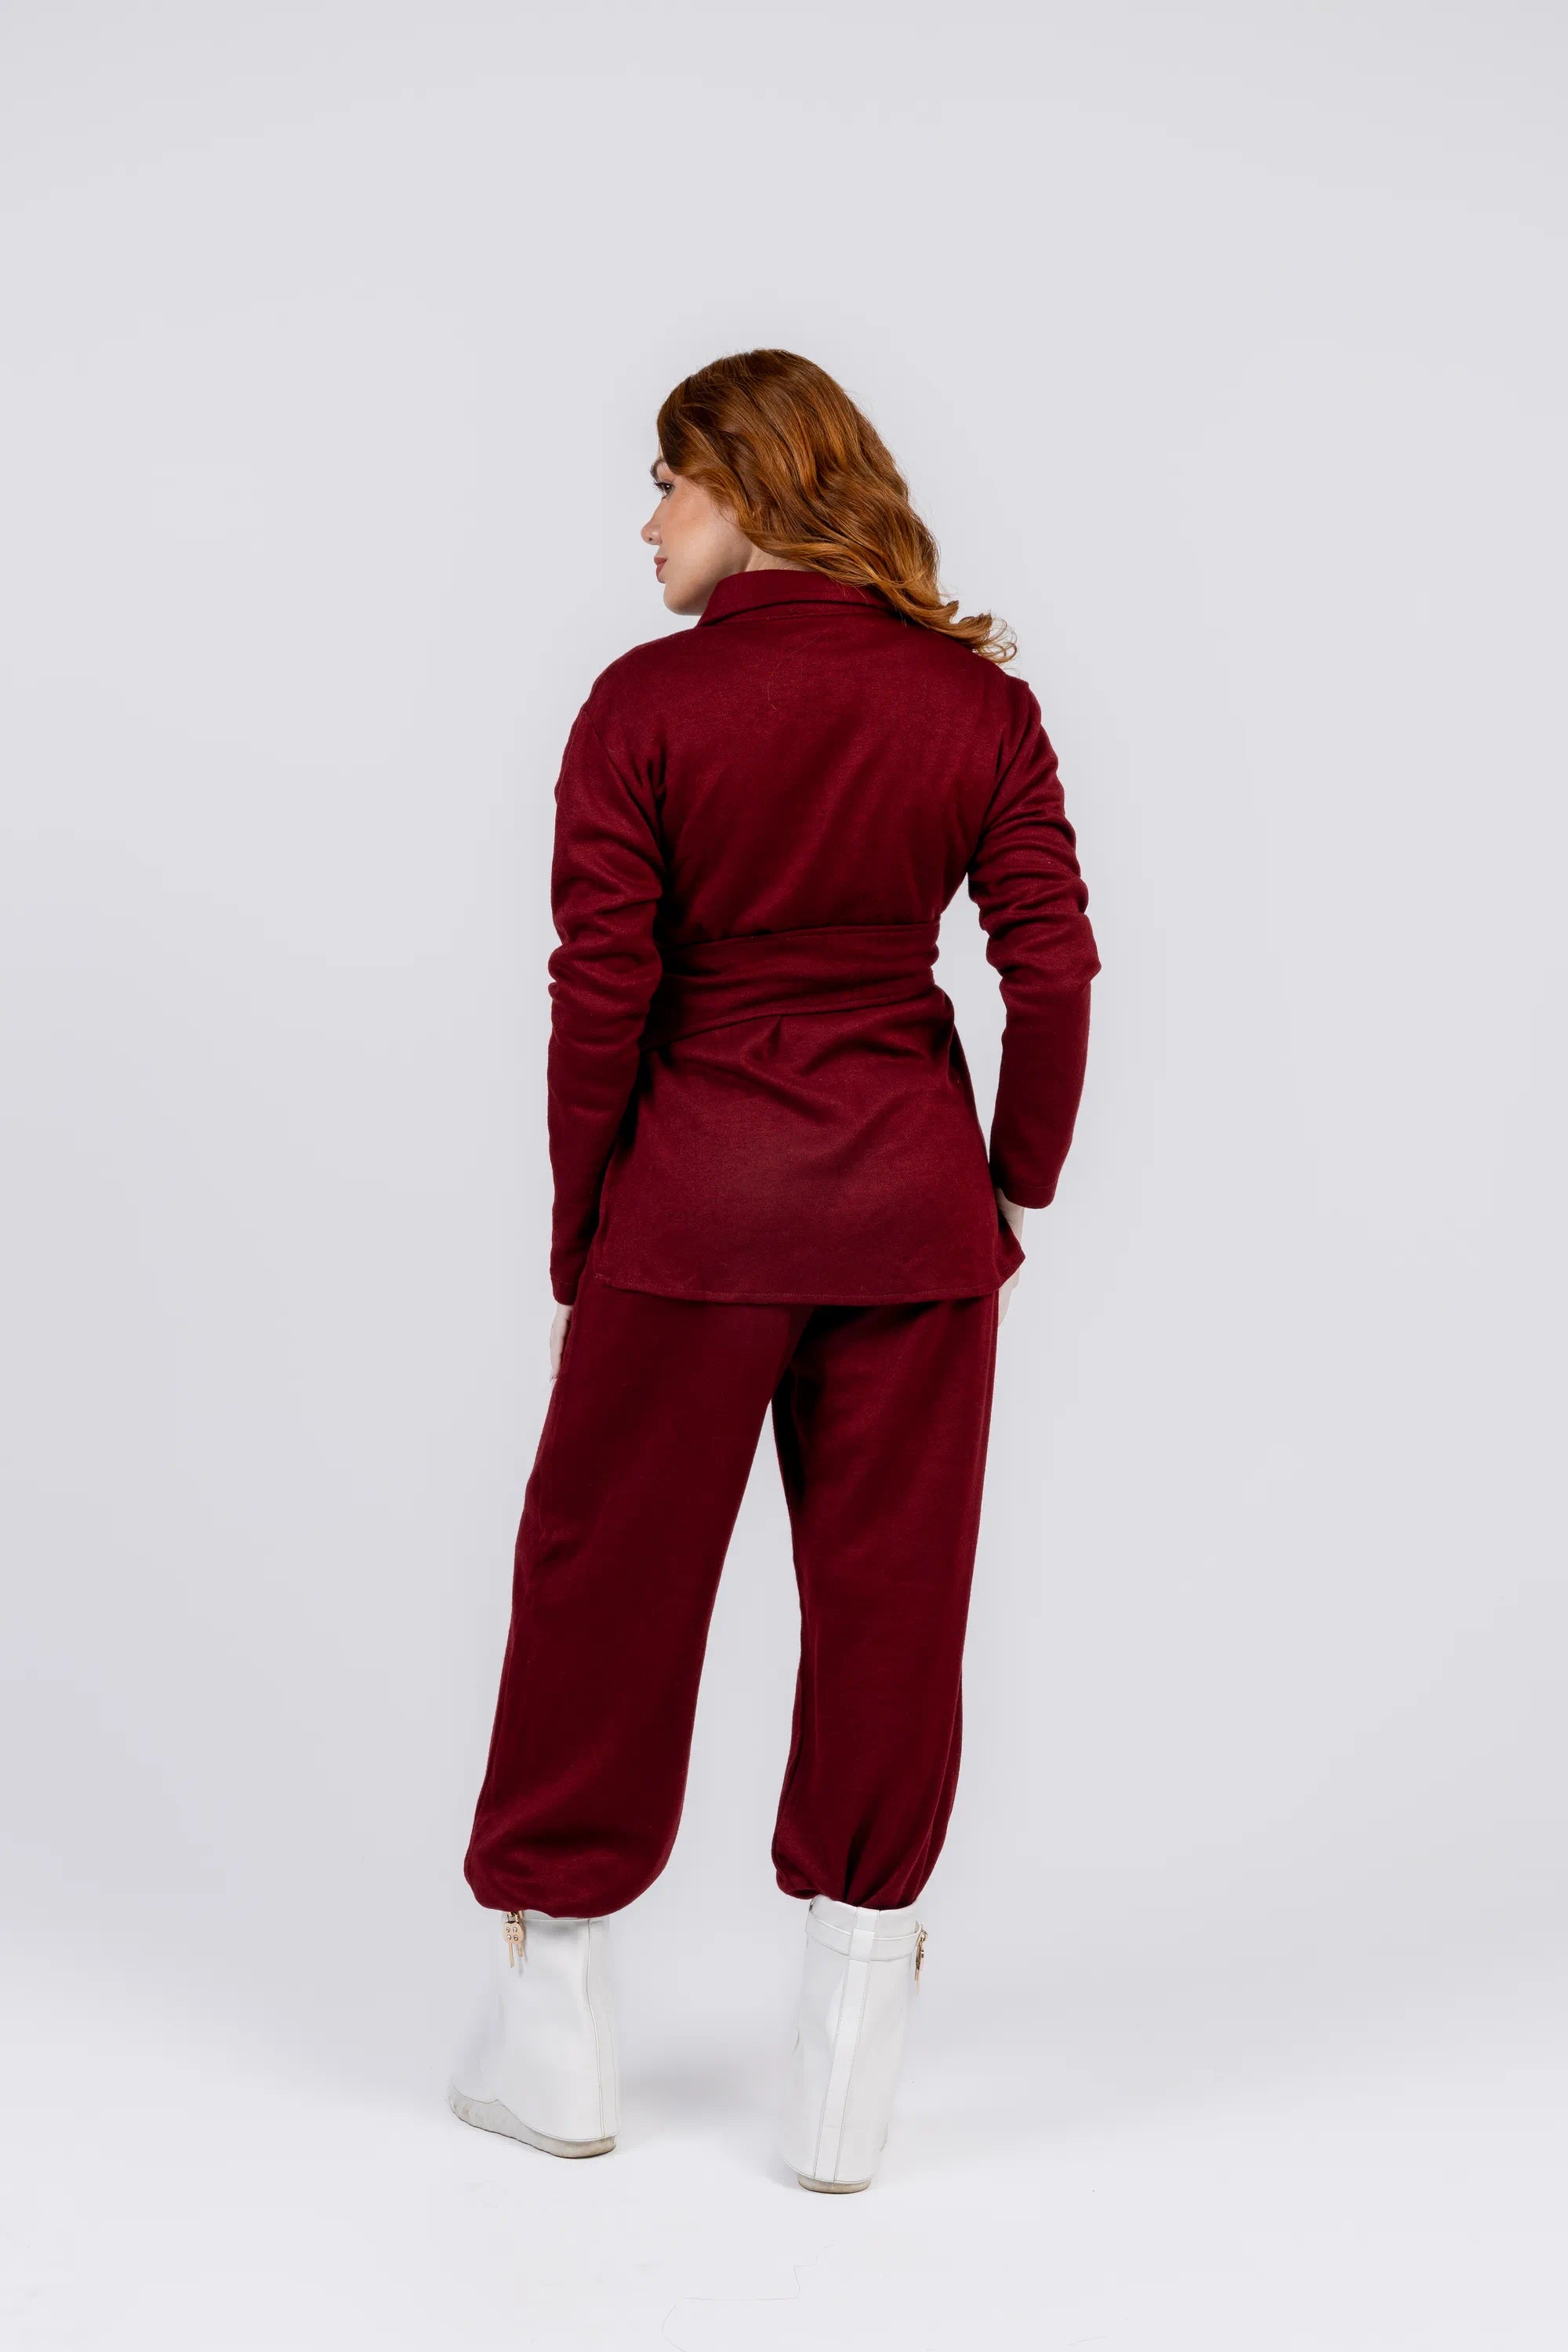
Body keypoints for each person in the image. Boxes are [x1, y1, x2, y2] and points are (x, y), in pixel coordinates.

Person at [447, 348, 1101, 2191]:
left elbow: (601, 996)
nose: (648, 518)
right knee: (894, 1606)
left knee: (601, 1590)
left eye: (669, 478)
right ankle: (843, 2090)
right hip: (912, 1220)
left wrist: (581, 1234)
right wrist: (1009, 1191)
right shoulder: (979, 707)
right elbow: (1052, 970)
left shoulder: (644, 704)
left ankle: (558, 2046)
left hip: (690, 1215)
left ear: (748, 483)